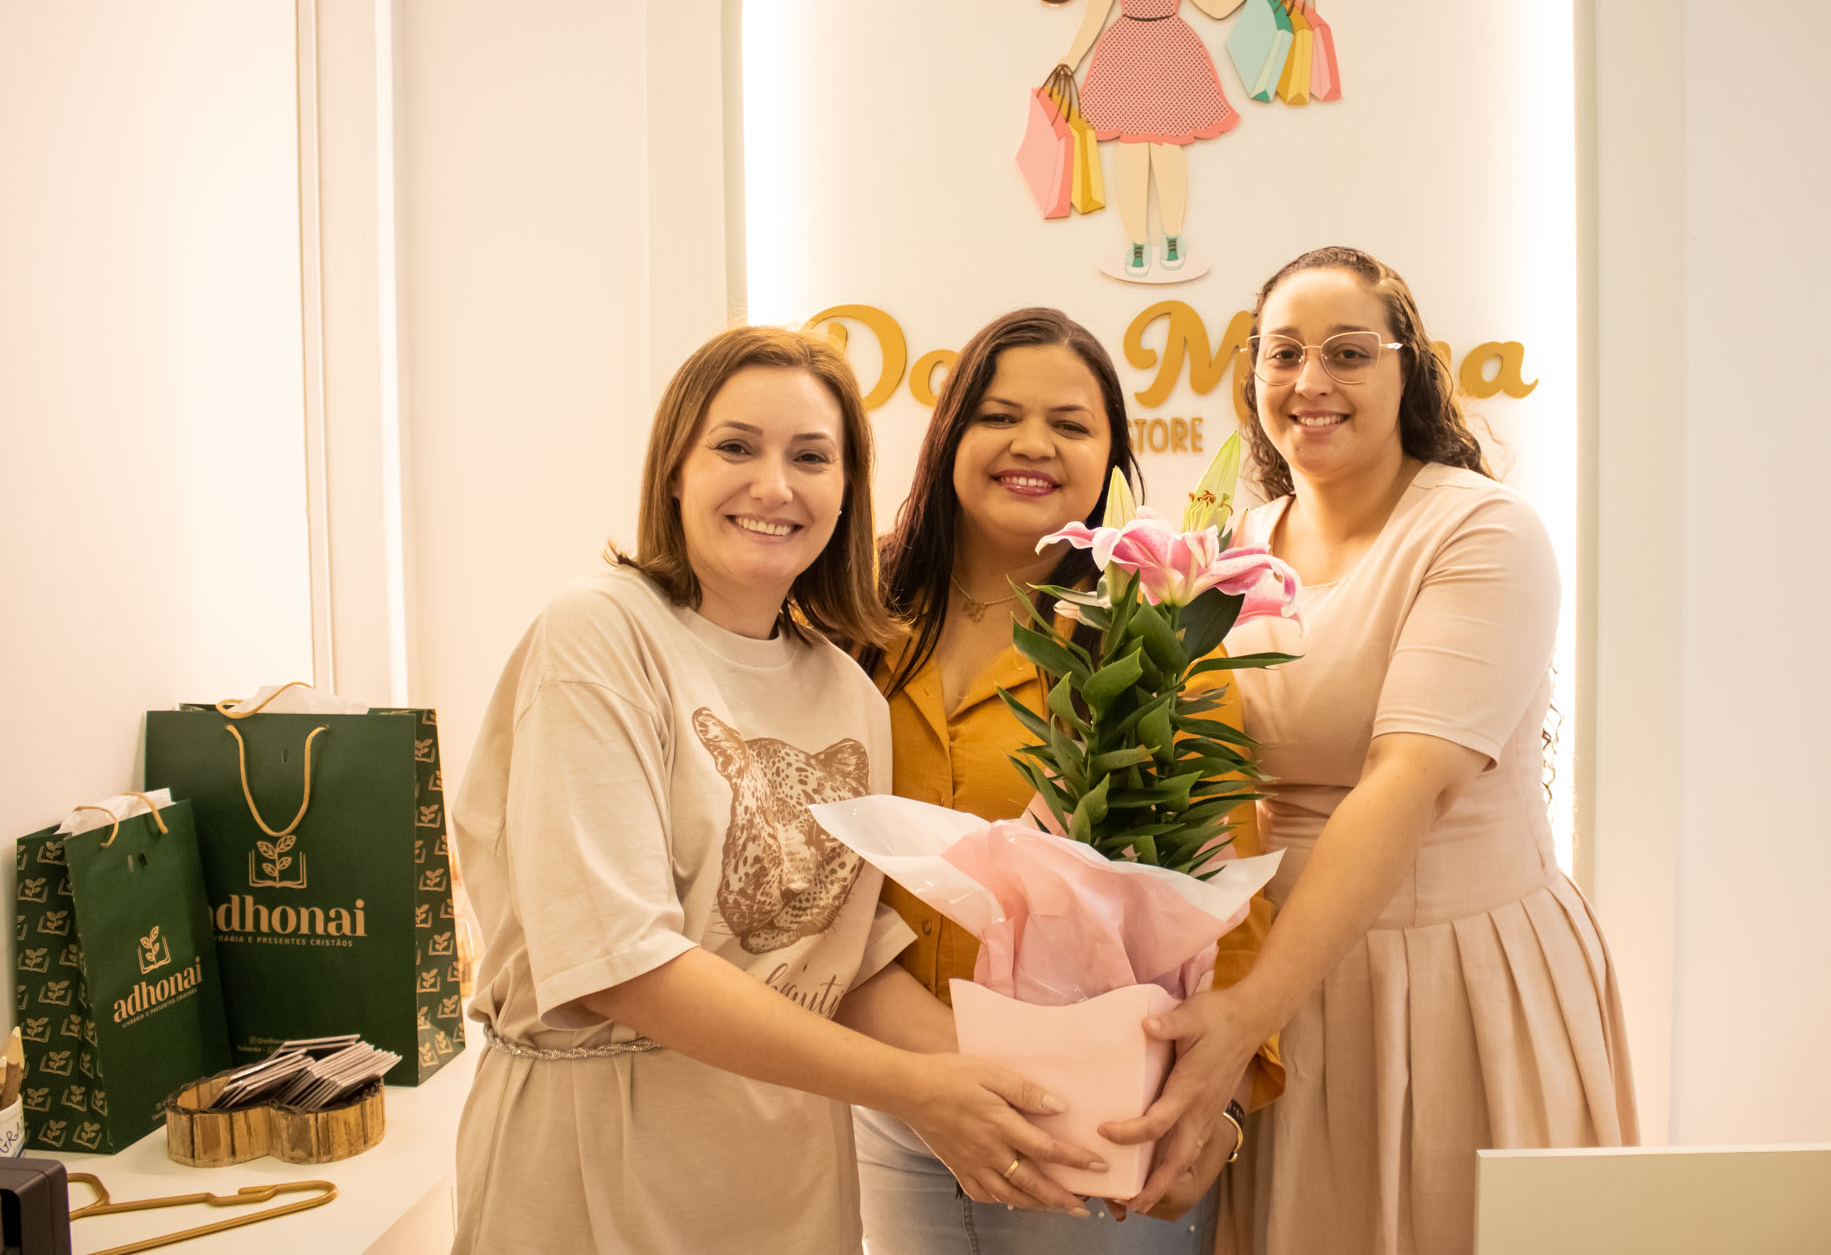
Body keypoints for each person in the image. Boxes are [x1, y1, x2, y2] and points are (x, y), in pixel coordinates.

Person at [451, 327, 1106, 1254]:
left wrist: (1037, 1093)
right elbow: (621, 963)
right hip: (607, 1150)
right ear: (673, 469)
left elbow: (843, 955)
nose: (774, 485)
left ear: (847, 489)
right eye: (736, 446)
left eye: (810, 456)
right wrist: (915, 1089)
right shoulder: (600, 634)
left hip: (787, 1168)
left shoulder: (847, 687)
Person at [1104, 250, 1638, 1255]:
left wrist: (1246, 1012)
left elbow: (1407, 781)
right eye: (1283, 354)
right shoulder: (1235, 546)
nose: (1310, 381)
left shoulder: (1482, 532)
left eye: (1348, 352)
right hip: (1283, 977)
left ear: (1408, 370)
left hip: (1451, 975)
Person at [854, 308, 1284, 1255]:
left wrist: (1219, 1107)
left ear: (1112, 462)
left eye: (1071, 424)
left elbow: (1228, 906)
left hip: (1094, 1118)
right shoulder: (858, 615)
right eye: (999, 415)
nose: (1032, 444)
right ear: (949, 434)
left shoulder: (1158, 638)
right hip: (892, 1100)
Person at [1042, 0, 1288, 279]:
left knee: (1167, 149)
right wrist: (1070, 59)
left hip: (1173, 60)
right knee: (1131, 153)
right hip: (1125, 61)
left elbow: (1217, 4)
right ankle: (1137, 242)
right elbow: (1093, 19)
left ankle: (1173, 236)